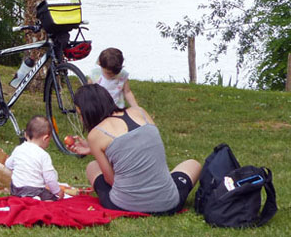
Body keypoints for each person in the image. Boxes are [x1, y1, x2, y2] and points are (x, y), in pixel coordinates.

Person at [67, 84, 201, 214]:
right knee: (193, 164)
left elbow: (110, 180)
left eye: (80, 114)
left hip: (123, 205)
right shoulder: (140, 112)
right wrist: (93, 149)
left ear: (88, 112)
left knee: (92, 167)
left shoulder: (95, 135)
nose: (81, 118)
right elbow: (139, 149)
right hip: (168, 203)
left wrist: (94, 150)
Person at [5, 116, 65, 201]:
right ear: (45, 138)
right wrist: (57, 191)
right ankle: (37, 199)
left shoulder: (18, 149)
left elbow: (8, 165)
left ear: (25, 135)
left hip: (16, 190)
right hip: (35, 190)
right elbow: (49, 178)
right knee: (52, 198)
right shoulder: (43, 155)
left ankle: (24, 198)